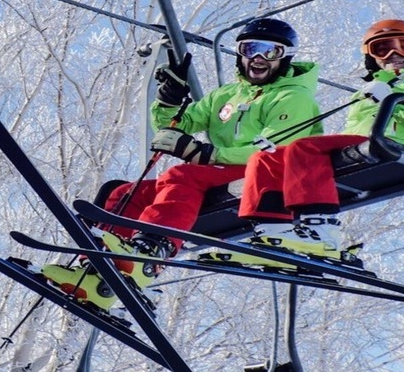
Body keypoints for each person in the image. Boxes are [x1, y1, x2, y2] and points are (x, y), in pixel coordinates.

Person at [41, 18, 323, 310]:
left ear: (286, 57)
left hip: (269, 174)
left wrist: (206, 154)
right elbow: (177, 124)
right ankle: (96, 270)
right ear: (240, 53)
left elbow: (276, 150)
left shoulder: (293, 97)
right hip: (223, 171)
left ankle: (151, 250)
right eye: (250, 48)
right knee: (126, 193)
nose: (258, 58)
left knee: (183, 174)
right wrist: (168, 101)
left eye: (271, 52)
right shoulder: (227, 95)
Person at [223, 19, 404, 268]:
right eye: (382, 49)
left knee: (304, 146)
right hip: (366, 147)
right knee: (268, 157)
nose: (393, 55)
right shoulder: (370, 90)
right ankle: (274, 232)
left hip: (399, 145)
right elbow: (352, 130)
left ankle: (321, 231)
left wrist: (395, 102)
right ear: (371, 57)